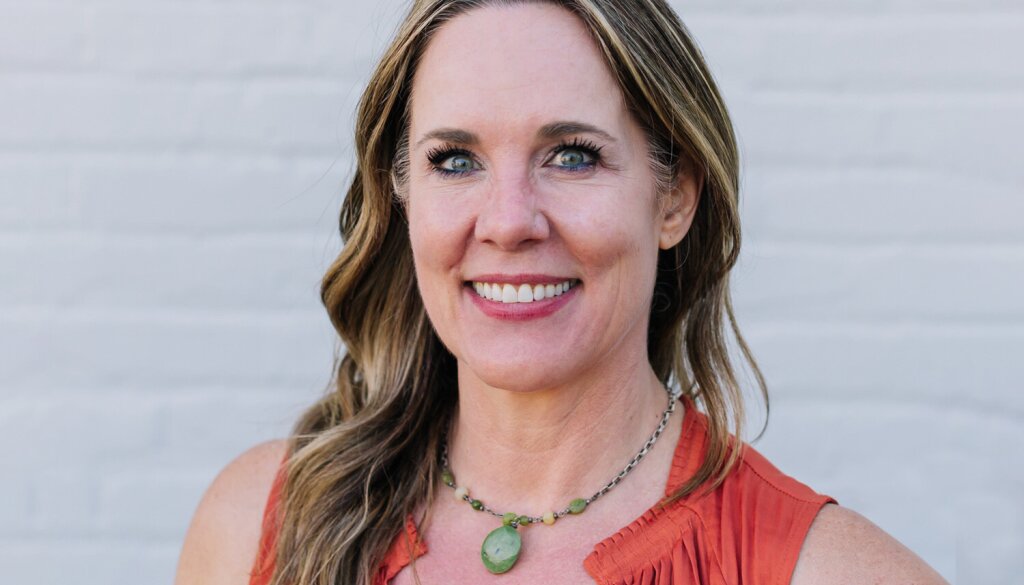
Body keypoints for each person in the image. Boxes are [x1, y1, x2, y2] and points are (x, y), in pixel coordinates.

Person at [175, 1, 950, 584]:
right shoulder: (259, 526)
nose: (508, 222)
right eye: (454, 160)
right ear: (402, 194)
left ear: (675, 195)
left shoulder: (827, 571)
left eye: (573, 156)